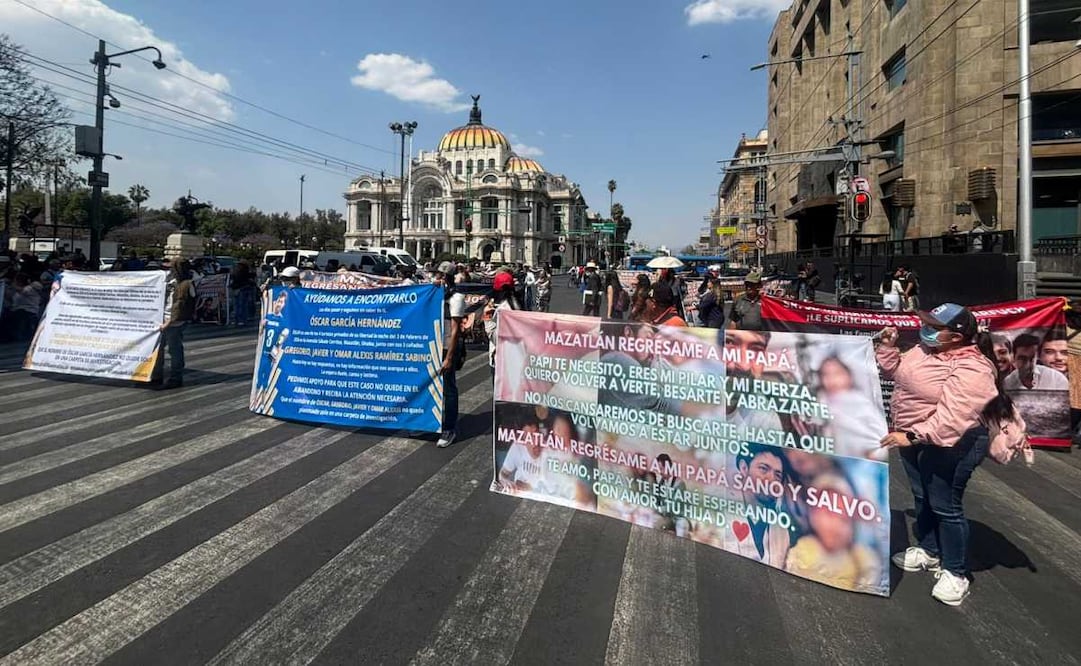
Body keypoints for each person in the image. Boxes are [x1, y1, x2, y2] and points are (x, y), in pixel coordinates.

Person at [876, 302, 1008, 606]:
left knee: (946, 505)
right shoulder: (924, 350)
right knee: (922, 496)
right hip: (914, 438)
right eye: (927, 324)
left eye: (936, 327)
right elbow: (896, 372)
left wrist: (911, 435)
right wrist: (887, 348)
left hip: (953, 443)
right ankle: (930, 549)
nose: (927, 330)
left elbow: (955, 417)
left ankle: (956, 571)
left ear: (957, 335)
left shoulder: (973, 367)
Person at [434, 261, 465, 448]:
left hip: (447, 347)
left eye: (439, 275)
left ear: (446, 277)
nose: (436, 278)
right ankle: (431, 423)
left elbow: (455, 330)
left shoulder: (456, 298)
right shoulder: (436, 293)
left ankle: (449, 428)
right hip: (434, 345)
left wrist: (449, 357)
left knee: (449, 388)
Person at [157, 258, 197, 388]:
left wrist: (168, 323)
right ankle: (156, 375)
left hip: (174, 322)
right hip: (164, 319)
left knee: (174, 350)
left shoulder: (187, 284)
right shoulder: (172, 282)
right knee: (158, 349)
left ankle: (175, 378)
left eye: (172, 268)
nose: (170, 270)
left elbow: (180, 307)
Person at [484, 271, 520, 378]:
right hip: (514, 357)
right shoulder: (516, 304)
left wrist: (487, 317)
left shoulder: (504, 309)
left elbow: (497, 337)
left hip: (501, 358)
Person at [1003, 333, 1068, 390]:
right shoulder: (1008, 383)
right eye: (1022, 359)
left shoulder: (1057, 379)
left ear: (1037, 358)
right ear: (1014, 358)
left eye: (1032, 359)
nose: (1027, 365)